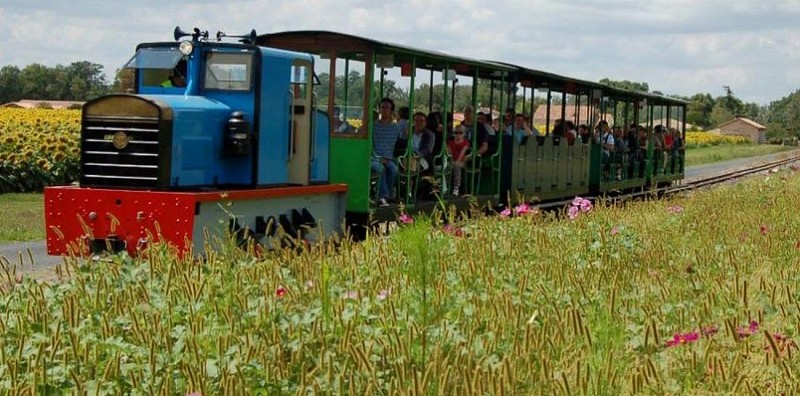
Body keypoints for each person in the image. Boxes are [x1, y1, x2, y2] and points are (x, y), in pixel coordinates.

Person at [370, 98, 402, 207]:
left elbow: (402, 140)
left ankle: (385, 196)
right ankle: (382, 197)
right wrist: (378, 157)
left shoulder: (395, 128)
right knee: (380, 169)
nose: (384, 110)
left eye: (387, 107)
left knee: (393, 169)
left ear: (392, 111)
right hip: (373, 158)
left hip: (389, 158)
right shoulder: (373, 126)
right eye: (382, 107)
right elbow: (369, 145)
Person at [448, 125, 470, 196]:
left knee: (456, 167)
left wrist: (456, 162)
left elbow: (461, 154)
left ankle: (456, 187)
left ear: (464, 134)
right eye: (456, 133)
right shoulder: (450, 143)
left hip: (461, 161)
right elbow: (449, 153)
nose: (458, 135)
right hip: (451, 161)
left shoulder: (465, 143)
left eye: (460, 133)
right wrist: (451, 161)